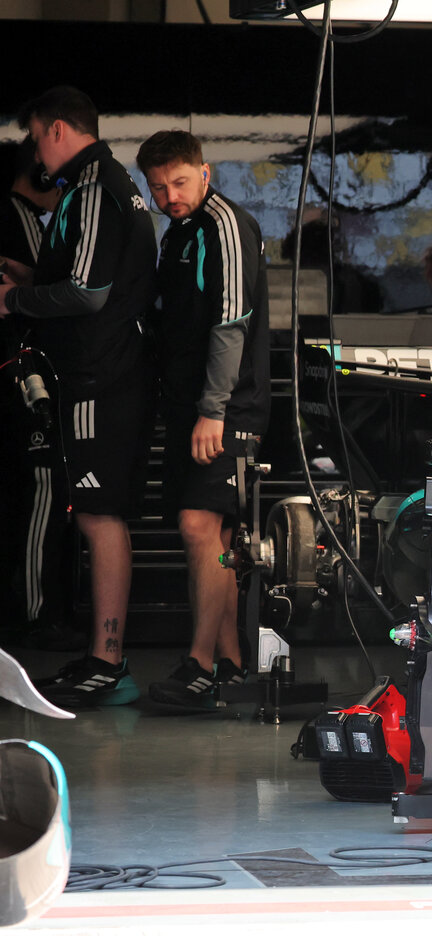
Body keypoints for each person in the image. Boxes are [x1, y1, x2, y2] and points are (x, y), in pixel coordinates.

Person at [3, 86, 156, 706]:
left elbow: (90, 291)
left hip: (102, 377)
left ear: (59, 129)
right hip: (101, 374)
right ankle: (100, 654)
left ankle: (107, 657)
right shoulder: (91, 188)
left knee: (99, 517)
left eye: (38, 136)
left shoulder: (94, 187)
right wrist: (26, 276)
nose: (36, 151)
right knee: (95, 516)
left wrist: (12, 299)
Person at [135, 130, 271, 708]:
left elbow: (231, 325)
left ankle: (198, 661)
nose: (171, 195)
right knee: (211, 535)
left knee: (198, 526)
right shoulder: (178, 234)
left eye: (181, 182)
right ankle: (232, 666)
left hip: (227, 406)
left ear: (206, 173)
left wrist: (213, 411)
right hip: (193, 407)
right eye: (159, 187)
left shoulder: (226, 226)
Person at [0, 137, 73, 650]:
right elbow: (44, 293)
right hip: (19, 373)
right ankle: (37, 613)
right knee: (43, 483)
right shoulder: (17, 214)